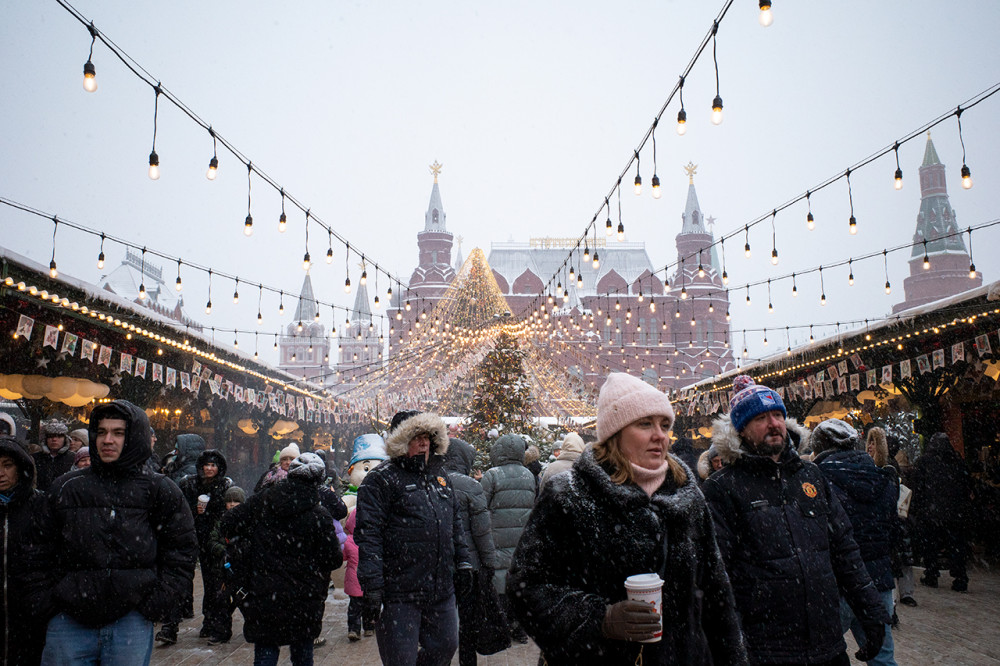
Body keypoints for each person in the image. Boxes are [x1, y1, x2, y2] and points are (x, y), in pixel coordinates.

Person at [507, 372, 747, 665]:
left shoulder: (688, 496)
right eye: (645, 423)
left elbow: (716, 594)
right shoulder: (569, 495)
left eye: (664, 424)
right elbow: (526, 586)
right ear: (615, 433)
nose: (660, 434)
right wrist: (601, 619)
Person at [703, 376, 889, 666]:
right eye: (761, 418)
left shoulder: (812, 476)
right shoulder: (722, 488)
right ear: (741, 429)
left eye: (777, 415)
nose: (773, 423)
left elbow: (845, 550)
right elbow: (718, 576)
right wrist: (730, 646)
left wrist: (871, 610)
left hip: (827, 645)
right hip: (766, 650)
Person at [30, 399, 197, 666]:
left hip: (131, 619)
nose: (108, 440)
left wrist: (158, 602)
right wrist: (47, 600)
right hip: (68, 618)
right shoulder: (66, 488)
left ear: (134, 437)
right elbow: (36, 547)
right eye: (102, 432)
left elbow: (181, 550)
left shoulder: (159, 489)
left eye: (118, 433)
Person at [356, 410, 473, 666]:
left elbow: (454, 524)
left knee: (446, 645)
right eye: (415, 437)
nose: (423, 443)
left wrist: (463, 562)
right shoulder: (380, 481)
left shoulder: (441, 479)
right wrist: (372, 586)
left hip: (441, 588)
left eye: (427, 437)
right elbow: (369, 535)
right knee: (400, 660)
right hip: (400, 592)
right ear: (400, 442)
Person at [221, 453, 342, 666]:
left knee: (267, 649)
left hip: (265, 591)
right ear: (318, 481)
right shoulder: (319, 515)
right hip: (305, 596)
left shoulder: (264, 500)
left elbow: (229, 523)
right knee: (303, 652)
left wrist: (251, 548)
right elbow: (333, 559)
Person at [812, 419, 899, 666]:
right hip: (879, 580)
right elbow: (893, 532)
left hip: (838, 583)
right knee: (883, 657)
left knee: (818, 653)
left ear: (819, 448)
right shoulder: (883, 477)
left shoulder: (816, 482)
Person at [160, 449, 233, 645]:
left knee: (212, 582)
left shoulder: (225, 486)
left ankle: (209, 622)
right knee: (180, 580)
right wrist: (195, 510)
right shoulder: (188, 484)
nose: (209, 469)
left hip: (212, 540)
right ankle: (170, 625)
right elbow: (179, 510)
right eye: (206, 465)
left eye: (213, 465)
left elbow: (226, 514)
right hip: (188, 537)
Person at [443, 437, 500, 666]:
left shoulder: (433, 482)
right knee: (467, 622)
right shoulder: (471, 486)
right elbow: (481, 532)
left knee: (441, 621)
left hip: (440, 564)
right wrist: (489, 562)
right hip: (470, 567)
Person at [480, 432, 536, 643]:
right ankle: (519, 629)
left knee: (499, 583)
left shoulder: (492, 475)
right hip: (521, 537)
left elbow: (481, 506)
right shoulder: (528, 475)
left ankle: (502, 628)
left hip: (497, 537)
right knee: (517, 581)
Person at [0, 435, 48, 665]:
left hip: (30, 618)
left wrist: (43, 600)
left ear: (20, 467)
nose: (1, 473)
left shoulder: (41, 507)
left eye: (7, 465)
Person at [909, 432, 972, 592]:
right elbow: (967, 486)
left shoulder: (924, 462)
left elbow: (917, 488)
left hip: (931, 513)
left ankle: (931, 574)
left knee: (930, 545)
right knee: (956, 546)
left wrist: (917, 508)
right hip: (954, 513)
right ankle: (960, 577)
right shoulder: (957, 462)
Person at [868, 427, 917, 612]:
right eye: (869, 442)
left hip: (889, 522)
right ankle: (898, 598)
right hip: (888, 523)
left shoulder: (887, 468)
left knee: (895, 561)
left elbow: (890, 498)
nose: (870, 446)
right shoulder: (877, 465)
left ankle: (895, 601)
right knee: (897, 560)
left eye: (874, 443)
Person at [342, 509, 376, 642]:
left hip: (354, 578)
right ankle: (369, 627)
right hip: (368, 578)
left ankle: (353, 629)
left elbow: (344, 557)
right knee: (369, 605)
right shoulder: (371, 541)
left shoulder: (348, 541)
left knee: (354, 607)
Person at [32, 420, 74, 491]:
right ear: (46, 439)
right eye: (50, 436)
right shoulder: (35, 458)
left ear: (65, 439)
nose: (54, 439)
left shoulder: (73, 458)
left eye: (59, 436)